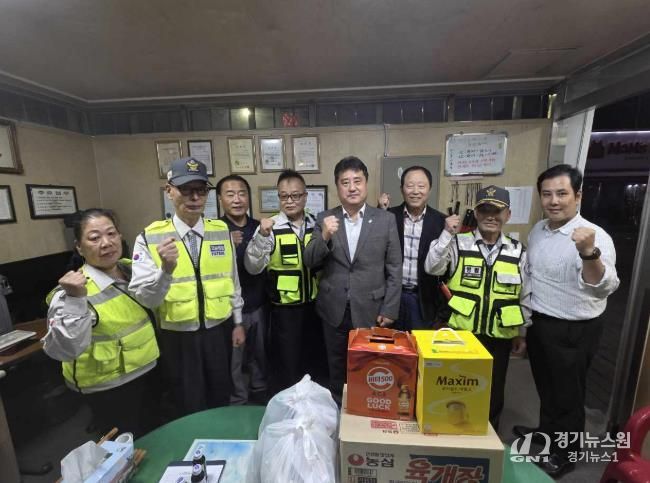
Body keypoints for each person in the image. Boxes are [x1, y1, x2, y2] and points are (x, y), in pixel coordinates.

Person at [513, 164, 619, 477]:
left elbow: (604, 286)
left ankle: (566, 453)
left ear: (578, 196)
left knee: (569, 396)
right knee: (546, 387)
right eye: (547, 194)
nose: (554, 201)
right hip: (541, 322)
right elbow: (531, 277)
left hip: (575, 328)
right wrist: (525, 325)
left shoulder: (595, 236)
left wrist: (588, 252)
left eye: (562, 193)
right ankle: (547, 434)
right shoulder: (539, 230)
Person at [129, 157, 245, 418]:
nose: (194, 197)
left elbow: (233, 281)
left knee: (220, 395)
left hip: (219, 331)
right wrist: (165, 270)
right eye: (185, 189)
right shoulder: (149, 237)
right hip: (178, 337)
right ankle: (192, 445)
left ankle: (219, 441)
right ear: (169, 191)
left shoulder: (221, 231)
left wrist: (238, 322)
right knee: (186, 401)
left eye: (201, 190)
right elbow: (145, 299)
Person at [44, 208, 159, 437]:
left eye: (111, 234)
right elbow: (64, 350)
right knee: (124, 446)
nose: (106, 243)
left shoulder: (132, 269)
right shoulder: (69, 292)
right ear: (79, 247)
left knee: (154, 435)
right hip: (109, 386)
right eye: (94, 238)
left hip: (148, 370)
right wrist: (75, 300)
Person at [425, 185, 529, 431]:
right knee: (456, 385)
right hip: (462, 333)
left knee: (494, 389)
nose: (491, 216)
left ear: (507, 215)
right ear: (477, 213)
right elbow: (432, 267)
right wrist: (446, 234)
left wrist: (522, 332)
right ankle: (453, 431)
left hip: (499, 335)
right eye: (485, 210)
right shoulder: (457, 243)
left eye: (497, 211)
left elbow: (525, 295)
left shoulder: (518, 251)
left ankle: (489, 434)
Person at [303, 156, 402, 405]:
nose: (352, 187)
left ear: (366, 183)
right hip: (333, 308)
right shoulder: (325, 218)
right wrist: (325, 235)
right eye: (345, 182)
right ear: (337, 187)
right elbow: (309, 260)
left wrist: (390, 308)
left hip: (371, 308)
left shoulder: (385, 220)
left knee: (370, 366)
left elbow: (394, 267)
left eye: (357, 181)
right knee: (336, 367)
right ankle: (338, 410)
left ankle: (366, 412)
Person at [244, 169, 323, 393]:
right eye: (284, 196)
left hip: (315, 308)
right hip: (284, 312)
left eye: (295, 195)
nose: (290, 201)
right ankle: (287, 408)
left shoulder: (316, 224)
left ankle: (313, 407)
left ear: (305, 196)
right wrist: (262, 236)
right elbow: (252, 266)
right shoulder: (270, 227)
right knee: (287, 367)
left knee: (314, 363)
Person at [216, 174, 268, 405]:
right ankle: (238, 400)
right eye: (230, 194)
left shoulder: (259, 227)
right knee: (234, 359)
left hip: (258, 304)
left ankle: (260, 392)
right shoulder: (215, 231)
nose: (237, 199)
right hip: (229, 309)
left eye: (242, 193)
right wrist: (226, 243)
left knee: (260, 354)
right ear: (220, 199)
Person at [378, 166, 449, 330]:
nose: (415, 191)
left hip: (424, 301)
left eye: (421, 186)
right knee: (390, 344)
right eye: (410, 186)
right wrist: (380, 210)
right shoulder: (388, 216)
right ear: (402, 189)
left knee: (418, 345)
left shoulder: (441, 222)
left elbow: (445, 269)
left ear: (430, 189)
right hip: (391, 298)